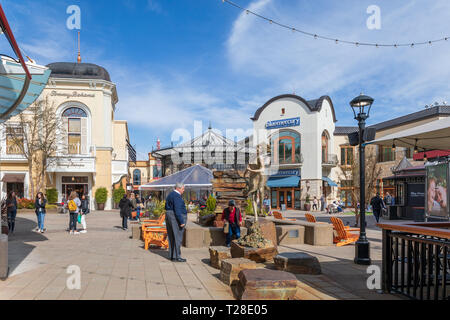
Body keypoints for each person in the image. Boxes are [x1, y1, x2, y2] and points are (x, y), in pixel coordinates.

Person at [165, 183, 188, 262]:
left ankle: (172, 255)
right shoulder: (177, 196)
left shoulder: (170, 194)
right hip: (175, 217)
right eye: (183, 189)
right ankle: (177, 256)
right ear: (178, 188)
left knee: (172, 236)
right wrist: (181, 221)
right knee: (177, 237)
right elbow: (177, 210)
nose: (183, 190)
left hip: (169, 215)